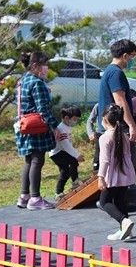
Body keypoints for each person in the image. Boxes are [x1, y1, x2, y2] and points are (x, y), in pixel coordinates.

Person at [15, 51, 60, 210]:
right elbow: (43, 110)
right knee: (37, 160)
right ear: (35, 66)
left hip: (23, 125)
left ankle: (24, 196)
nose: (46, 68)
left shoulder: (22, 81)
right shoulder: (37, 82)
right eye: (44, 64)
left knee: (29, 160)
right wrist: (56, 126)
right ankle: (35, 198)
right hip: (36, 127)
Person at [97, 104, 136, 240]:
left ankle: (124, 221)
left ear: (105, 120)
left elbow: (105, 160)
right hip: (124, 173)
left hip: (112, 175)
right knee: (119, 201)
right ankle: (125, 231)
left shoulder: (105, 137)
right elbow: (127, 155)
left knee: (104, 202)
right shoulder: (124, 135)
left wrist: (101, 177)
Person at [98, 39, 136, 145]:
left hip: (111, 126)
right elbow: (120, 101)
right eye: (133, 56)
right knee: (125, 161)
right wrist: (132, 125)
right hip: (116, 129)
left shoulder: (110, 71)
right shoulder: (116, 73)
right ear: (125, 56)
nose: (133, 59)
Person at [49, 105, 85, 196]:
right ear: (66, 118)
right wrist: (77, 155)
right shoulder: (61, 128)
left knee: (65, 172)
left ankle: (58, 192)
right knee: (73, 160)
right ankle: (75, 180)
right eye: (74, 119)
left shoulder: (67, 127)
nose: (75, 122)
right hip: (57, 153)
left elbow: (68, 143)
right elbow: (66, 145)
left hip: (60, 152)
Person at [86, 103, 100, 174]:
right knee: (97, 157)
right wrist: (91, 133)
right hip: (100, 135)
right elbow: (89, 121)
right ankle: (95, 171)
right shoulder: (98, 105)